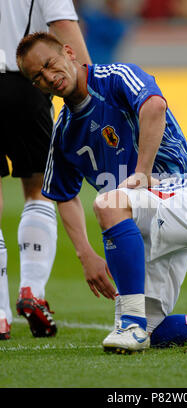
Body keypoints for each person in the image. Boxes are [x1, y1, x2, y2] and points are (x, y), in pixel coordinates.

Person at [15, 32, 187, 352]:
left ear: (68, 52)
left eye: (50, 65)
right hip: (144, 220)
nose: (49, 78)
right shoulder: (64, 131)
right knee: (154, 330)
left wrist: (141, 173)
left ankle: (130, 324)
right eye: (37, 77)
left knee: (108, 204)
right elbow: (63, 194)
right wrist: (86, 255)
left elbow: (154, 106)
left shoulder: (115, 78)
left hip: (184, 194)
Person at [0, 0, 92, 340]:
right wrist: (88, 82)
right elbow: (63, 23)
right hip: (24, 82)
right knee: (39, 188)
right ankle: (32, 291)